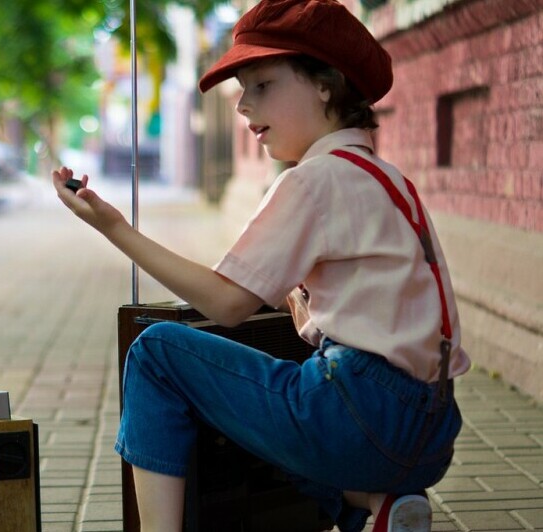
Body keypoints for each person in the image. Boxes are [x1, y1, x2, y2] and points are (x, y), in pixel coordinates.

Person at [52, 1, 470, 530]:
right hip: (431, 432)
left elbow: (226, 303)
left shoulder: (312, 180)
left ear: (327, 84)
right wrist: (312, 318)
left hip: (359, 417)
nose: (243, 106)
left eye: (263, 85)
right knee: (272, 393)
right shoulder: (391, 182)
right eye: (243, 90)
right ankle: (377, 502)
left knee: (157, 351)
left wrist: (113, 226)